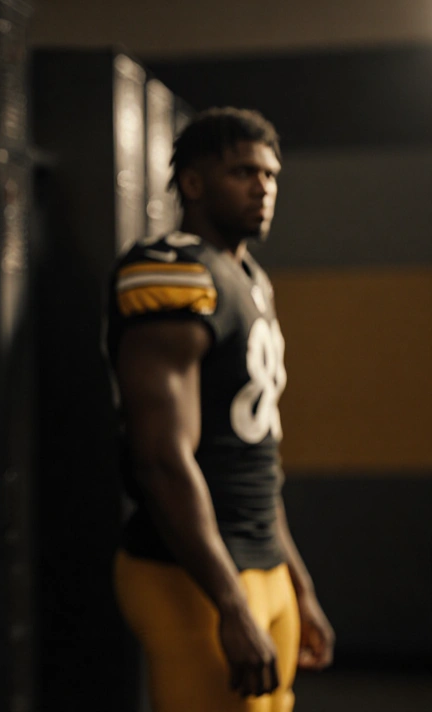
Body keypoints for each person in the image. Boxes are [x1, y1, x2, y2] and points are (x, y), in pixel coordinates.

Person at [106, 108, 335, 711]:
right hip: (192, 574)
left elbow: (252, 455)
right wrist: (229, 603)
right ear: (194, 184)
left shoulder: (251, 278)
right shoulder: (172, 270)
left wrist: (299, 582)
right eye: (242, 172)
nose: (263, 187)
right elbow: (160, 459)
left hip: (262, 559)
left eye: (270, 175)